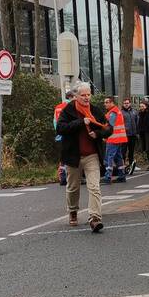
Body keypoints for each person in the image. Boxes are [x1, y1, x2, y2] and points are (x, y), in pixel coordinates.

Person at [56, 82, 111, 233]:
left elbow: (108, 128)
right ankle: (73, 211)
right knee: (73, 187)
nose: (86, 98)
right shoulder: (68, 110)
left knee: (94, 187)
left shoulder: (95, 110)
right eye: (83, 95)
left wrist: (97, 134)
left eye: (88, 95)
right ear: (76, 96)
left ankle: (95, 218)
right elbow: (60, 128)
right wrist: (81, 122)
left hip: (92, 155)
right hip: (73, 156)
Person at [102, 96, 129, 184]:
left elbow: (110, 126)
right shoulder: (116, 111)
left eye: (107, 102)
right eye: (104, 102)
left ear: (112, 103)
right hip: (118, 138)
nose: (105, 104)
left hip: (113, 138)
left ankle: (108, 177)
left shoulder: (113, 112)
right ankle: (121, 176)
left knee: (109, 157)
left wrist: (104, 136)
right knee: (118, 157)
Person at [54, 88, 73, 185]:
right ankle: (70, 177)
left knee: (63, 157)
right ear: (70, 97)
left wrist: (58, 132)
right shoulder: (71, 107)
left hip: (60, 135)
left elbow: (54, 122)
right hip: (69, 135)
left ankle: (62, 177)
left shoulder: (58, 107)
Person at [121, 96, 139, 174]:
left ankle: (132, 165)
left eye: (127, 103)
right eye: (125, 103)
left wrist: (137, 132)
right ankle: (123, 166)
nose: (126, 104)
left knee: (131, 151)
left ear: (130, 104)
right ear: (123, 104)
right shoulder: (121, 112)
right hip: (124, 135)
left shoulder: (134, 112)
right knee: (123, 152)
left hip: (133, 134)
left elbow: (137, 121)